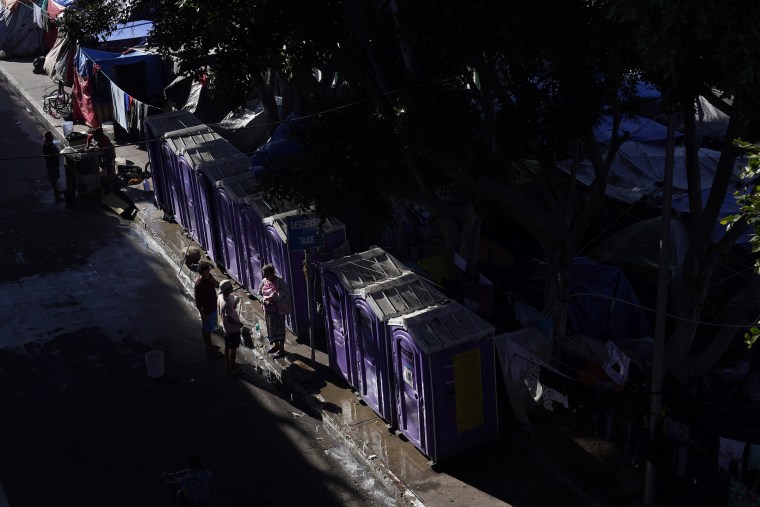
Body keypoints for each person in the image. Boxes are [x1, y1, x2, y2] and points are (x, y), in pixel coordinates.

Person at [256, 263, 291, 359]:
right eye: (264, 274)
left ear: (272, 273)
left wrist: (277, 296)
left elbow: (287, 294)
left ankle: (282, 350)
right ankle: (276, 346)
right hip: (268, 311)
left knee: (279, 330)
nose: (266, 276)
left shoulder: (279, 282)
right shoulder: (264, 282)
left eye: (267, 274)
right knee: (271, 330)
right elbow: (258, 294)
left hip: (278, 311)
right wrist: (264, 301)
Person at [193, 263, 222, 357]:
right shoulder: (199, 284)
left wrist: (211, 279)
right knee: (207, 330)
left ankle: (209, 346)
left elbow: (217, 285)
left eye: (207, 273)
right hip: (206, 310)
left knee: (208, 328)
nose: (206, 275)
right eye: (204, 274)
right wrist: (202, 313)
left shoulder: (209, 277)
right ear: (200, 273)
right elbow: (198, 302)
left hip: (213, 306)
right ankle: (210, 348)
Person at [217, 279, 244, 375]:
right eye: (231, 287)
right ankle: (232, 369)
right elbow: (229, 319)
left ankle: (229, 364)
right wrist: (238, 324)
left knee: (227, 346)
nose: (233, 288)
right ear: (227, 289)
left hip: (226, 328)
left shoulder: (220, 296)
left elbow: (226, 310)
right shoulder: (227, 302)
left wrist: (235, 303)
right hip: (233, 329)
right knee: (233, 350)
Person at [42, 131, 64, 202]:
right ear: (48, 138)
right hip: (52, 165)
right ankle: (56, 196)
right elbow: (52, 155)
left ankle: (57, 191)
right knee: (53, 180)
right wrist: (57, 153)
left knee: (55, 179)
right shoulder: (47, 146)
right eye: (51, 136)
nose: (53, 137)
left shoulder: (50, 144)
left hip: (54, 164)